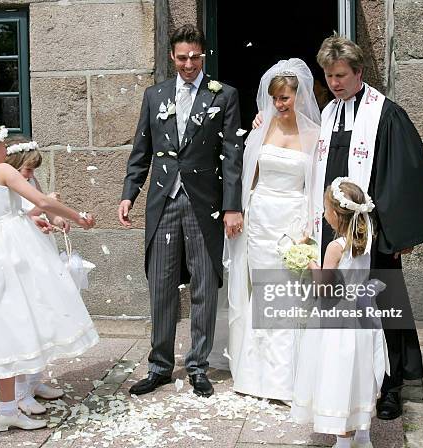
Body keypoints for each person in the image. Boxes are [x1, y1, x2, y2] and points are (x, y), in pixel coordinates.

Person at [255, 35, 423, 419]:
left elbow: (401, 176)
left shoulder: (386, 115)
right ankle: (346, 381)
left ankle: (391, 386)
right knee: (339, 309)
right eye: (329, 75)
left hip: (371, 231)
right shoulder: (328, 115)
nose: (335, 82)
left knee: (384, 305)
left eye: (341, 74)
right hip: (332, 227)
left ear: (359, 72)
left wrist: (396, 235)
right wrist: (265, 121)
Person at [0, 121, 99, 445]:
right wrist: (78, 217)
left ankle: (7, 409)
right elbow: (41, 201)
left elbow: (10, 211)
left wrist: (29, 217)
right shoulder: (2, 170)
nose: (8, 150)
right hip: (7, 258)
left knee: (8, 331)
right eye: (3, 145)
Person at [118, 24, 243, 398]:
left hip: (205, 205)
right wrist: (129, 194)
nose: (189, 64)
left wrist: (232, 207)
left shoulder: (225, 95)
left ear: (204, 55)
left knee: (205, 285)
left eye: (195, 57)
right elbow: (141, 151)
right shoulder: (154, 95)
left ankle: (197, 367)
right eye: (182, 57)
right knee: (161, 286)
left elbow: (233, 156)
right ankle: (159, 366)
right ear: (172, 57)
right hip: (163, 202)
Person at [213, 59, 320, 403]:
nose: (279, 104)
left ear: (300, 97)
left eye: (285, 98)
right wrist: (239, 211)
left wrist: (308, 228)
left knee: (287, 297)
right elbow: (247, 176)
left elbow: (315, 186)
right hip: (261, 218)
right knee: (260, 292)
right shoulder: (262, 128)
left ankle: (285, 380)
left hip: (292, 220)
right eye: (275, 98)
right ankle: (253, 376)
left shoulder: (316, 135)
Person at [291, 178, 389, 448]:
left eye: (325, 209)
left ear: (335, 214)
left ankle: (343, 442)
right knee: (361, 372)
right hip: (363, 315)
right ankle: (363, 436)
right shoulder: (366, 239)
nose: (324, 215)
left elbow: (324, 288)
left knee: (338, 372)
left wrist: (310, 262)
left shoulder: (335, 247)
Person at [4, 136, 66, 416]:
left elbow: (42, 210)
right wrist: (45, 207)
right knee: (25, 319)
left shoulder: (29, 180)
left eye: (33, 171)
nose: (31, 175)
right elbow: (18, 215)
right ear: (14, 165)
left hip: (39, 250)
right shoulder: (7, 185)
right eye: (28, 170)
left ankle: (35, 380)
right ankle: (20, 392)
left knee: (43, 314)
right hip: (20, 254)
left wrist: (56, 219)